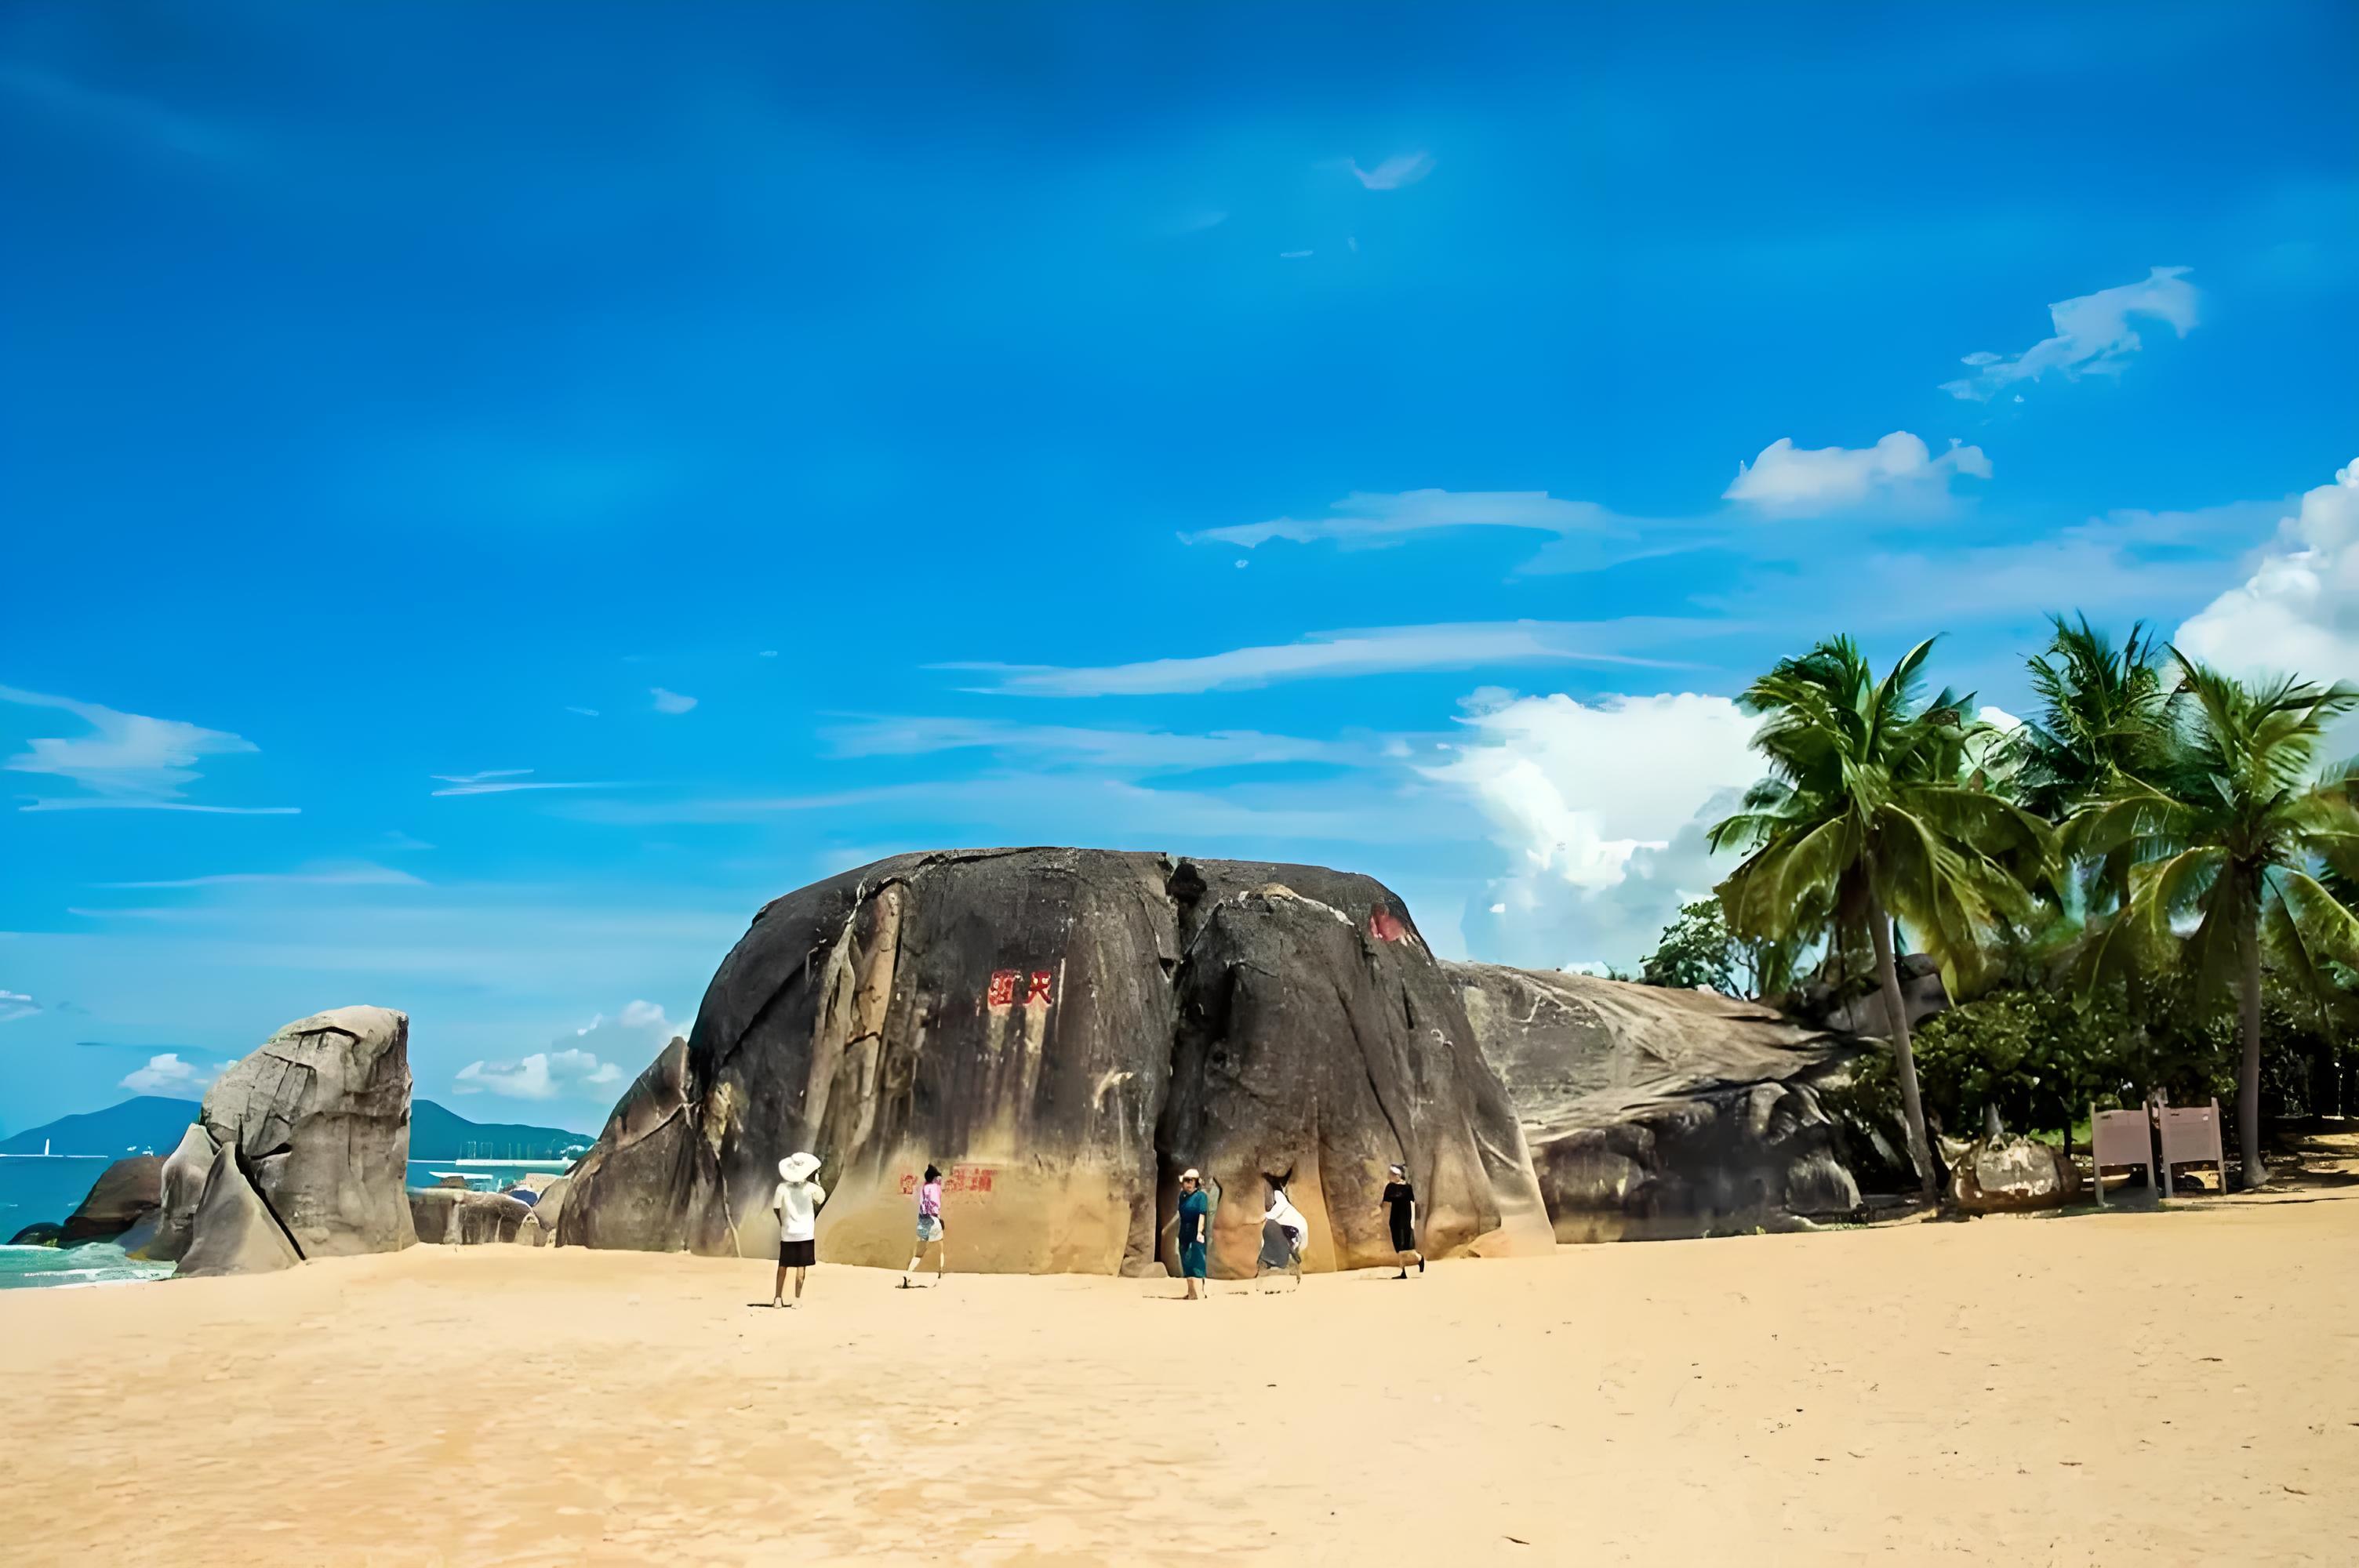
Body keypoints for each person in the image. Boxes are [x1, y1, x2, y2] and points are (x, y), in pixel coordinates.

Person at [771, 1151, 826, 1308]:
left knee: (783, 1265)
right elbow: (821, 1199)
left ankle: (777, 1298)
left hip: (788, 1232)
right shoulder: (810, 1189)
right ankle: (797, 1300)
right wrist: (816, 1181)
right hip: (805, 1233)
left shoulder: (782, 1188)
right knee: (801, 1267)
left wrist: (782, 1222)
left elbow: (776, 1208)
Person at [901, 1163, 946, 1288]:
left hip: (922, 1222)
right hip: (933, 1220)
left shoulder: (923, 1187)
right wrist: (938, 1218)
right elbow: (934, 1203)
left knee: (918, 1254)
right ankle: (941, 1274)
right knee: (940, 1246)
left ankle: (908, 1274)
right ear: (934, 1178)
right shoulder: (935, 1188)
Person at [1258, 1178, 1306, 1288]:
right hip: (1294, 1236)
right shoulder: (1283, 1199)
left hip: (1290, 1233)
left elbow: (1271, 1213)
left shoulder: (1278, 1198)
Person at [1381, 1162, 1423, 1279]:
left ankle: (1419, 1259)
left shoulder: (1407, 1188)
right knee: (1398, 1245)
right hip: (1395, 1218)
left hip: (1406, 1218)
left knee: (1407, 1245)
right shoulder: (1390, 1187)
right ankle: (1403, 1271)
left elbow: (1412, 1204)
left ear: (1398, 1175)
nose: (1390, 1176)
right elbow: (1385, 1203)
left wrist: (1412, 1222)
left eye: (1392, 1174)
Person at [1176, 1167, 1212, 1300]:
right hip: (1184, 1231)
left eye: (1191, 1181)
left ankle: (1201, 1291)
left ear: (1196, 1183)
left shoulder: (1201, 1196)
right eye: (1186, 1181)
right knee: (1186, 1261)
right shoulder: (1182, 1196)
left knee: (1198, 1259)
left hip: (1196, 1230)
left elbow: (1202, 1214)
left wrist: (1199, 1232)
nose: (1188, 1184)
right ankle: (1191, 1291)